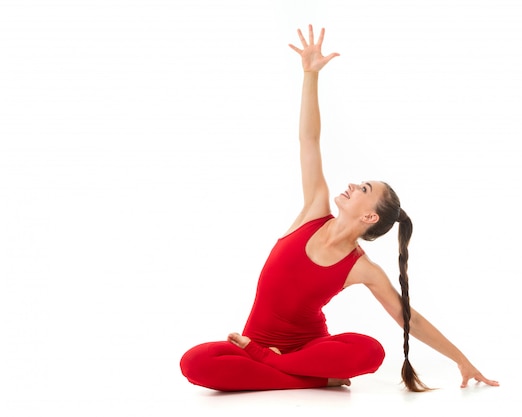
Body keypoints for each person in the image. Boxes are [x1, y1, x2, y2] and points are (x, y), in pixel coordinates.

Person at [180, 25, 499, 392]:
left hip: (306, 350)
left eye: (364, 189)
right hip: (251, 345)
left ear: (369, 217)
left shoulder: (363, 268)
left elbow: (409, 320)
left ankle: (280, 368)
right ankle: (305, 379)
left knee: (370, 352)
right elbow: (309, 139)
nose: (352, 185)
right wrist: (310, 74)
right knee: (194, 362)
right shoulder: (314, 210)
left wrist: (462, 359)